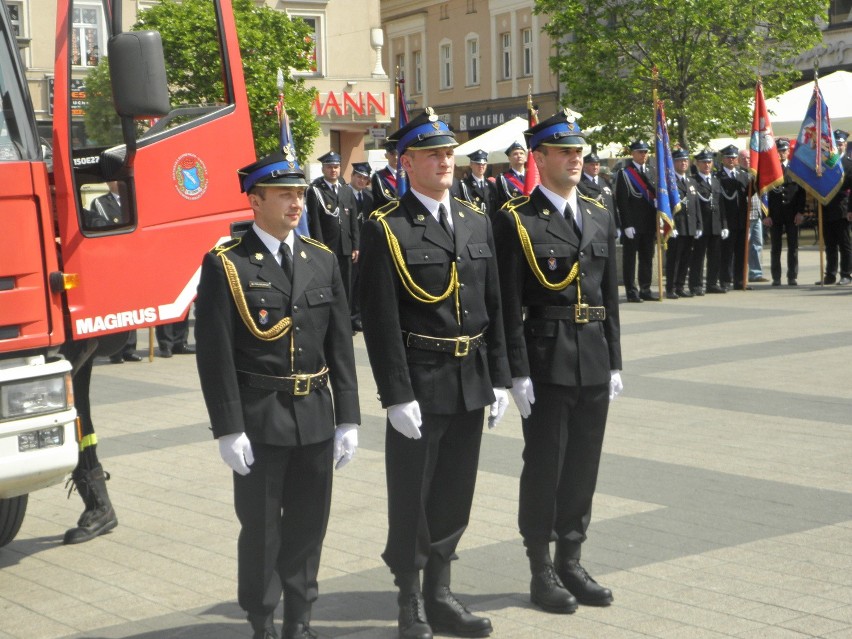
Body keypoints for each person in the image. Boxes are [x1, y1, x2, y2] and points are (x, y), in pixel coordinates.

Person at [194, 141, 360, 639]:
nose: (295, 203)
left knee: (310, 526)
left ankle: (300, 619)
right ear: (255, 200)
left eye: (300, 194)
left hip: (313, 411)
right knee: (264, 529)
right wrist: (228, 427)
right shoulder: (228, 263)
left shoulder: (321, 259)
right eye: (284, 194)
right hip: (261, 416)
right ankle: (262, 620)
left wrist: (348, 417)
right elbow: (214, 352)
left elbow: (339, 345)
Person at [359, 107, 511, 639]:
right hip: (421, 382)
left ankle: (441, 592)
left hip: (470, 377)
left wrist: (500, 377)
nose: (446, 161)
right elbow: (380, 320)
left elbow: (491, 303)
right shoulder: (387, 226)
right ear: (408, 163)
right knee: (412, 495)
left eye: (449, 153)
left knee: (454, 493)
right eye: (434, 155)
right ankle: (409, 599)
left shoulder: (473, 219)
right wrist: (395, 395)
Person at [492, 109, 622, 615]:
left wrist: (615, 359)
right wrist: (514, 372)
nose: (574, 159)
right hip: (545, 358)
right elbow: (506, 301)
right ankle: (539, 567)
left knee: (584, 465)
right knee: (546, 465)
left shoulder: (597, 212)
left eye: (579, 152)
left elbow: (608, 295)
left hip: (591, 354)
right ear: (539, 158)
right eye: (564, 152)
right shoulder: (517, 220)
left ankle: (572, 557)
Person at [60, 337, 119, 545]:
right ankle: (99, 506)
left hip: (76, 336)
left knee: (77, 407)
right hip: (70, 336)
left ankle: (99, 506)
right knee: (77, 406)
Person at [306, 151, 360, 307]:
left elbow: (353, 221)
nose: (333, 170)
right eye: (329, 167)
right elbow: (315, 223)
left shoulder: (346, 190)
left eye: (336, 167)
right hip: (328, 247)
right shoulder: (316, 191)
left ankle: (346, 320)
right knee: (329, 285)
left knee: (347, 285)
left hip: (346, 247)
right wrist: (320, 249)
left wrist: (356, 245)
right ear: (323, 169)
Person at [615, 140, 657, 301]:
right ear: (632, 153)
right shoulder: (625, 173)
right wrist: (626, 224)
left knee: (647, 257)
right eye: (640, 152)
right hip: (633, 224)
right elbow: (622, 201)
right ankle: (631, 291)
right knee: (630, 260)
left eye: (645, 152)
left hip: (649, 223)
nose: (644, 155)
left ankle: (645, 289)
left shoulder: (652, 172)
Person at [764, 138, 805, 286]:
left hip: (792, 214)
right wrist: (766, 215)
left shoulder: (795, 170)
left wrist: (800, 212)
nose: (781, 153)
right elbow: (764, 194)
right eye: (779, 150)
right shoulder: (770, 170)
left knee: (793, 247)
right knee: (776, 248)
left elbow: (801, 193)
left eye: (784, 150)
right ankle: (776, 277)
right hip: (775, 215)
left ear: (789, 152)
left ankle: (792, 276)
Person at [689, 149, 728, 295]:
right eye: (704, 162)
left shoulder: (716, 181)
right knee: (698, 257)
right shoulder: (693, 182)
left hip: (715, 224)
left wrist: (724, 225)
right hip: (701, 225)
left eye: (709, 162)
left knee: (715, 256)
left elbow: (721, 205)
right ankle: (696, 285)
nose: (707, 165)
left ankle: (712, 283)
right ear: (698, 164)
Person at [665, 148, 702, 298]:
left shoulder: (691, 181)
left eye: (686, 160)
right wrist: (669, 225)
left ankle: (680, 286)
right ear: (673, 163)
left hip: (690, 226)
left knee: (686, 258)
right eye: (680, 160)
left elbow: (696, 205)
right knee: (674, 259)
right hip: (676, 227)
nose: (683, 163)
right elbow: (666, 205)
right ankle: (670, 288)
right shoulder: (669, 182)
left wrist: (699, 224)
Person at [818, 130, 852, 285]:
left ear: (845, 144)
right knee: (830, 244)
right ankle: (830, 274)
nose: (839, 146)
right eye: (836, 144)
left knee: (844, 244)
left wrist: (850, 209)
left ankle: (846, 274)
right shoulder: (827, 163)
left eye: (841, 143)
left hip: (843, 208)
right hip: (827, 207)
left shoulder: (849, 164)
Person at [716, 144, 751, 290]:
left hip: (742, 220)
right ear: (723, 159)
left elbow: (750, 194)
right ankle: (725, 281)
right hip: (727, 220)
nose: (731, 160)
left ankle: (740, 280)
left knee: (741, 252)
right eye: (728, 157)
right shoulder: (718, 177)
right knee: (726, 253)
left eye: (734, 157)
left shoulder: (744, 176)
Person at [349, 162, 374, 331]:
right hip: (349, 247)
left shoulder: (368, 197)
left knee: (360, 284)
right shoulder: (344, 194)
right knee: (349, 284)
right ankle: (348, 318)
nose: (361, 181)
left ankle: (357, 317)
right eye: (358, 177)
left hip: (364, 245)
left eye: (365, 178)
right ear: (352, 176)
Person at [738, 150, 769, 283]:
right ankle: (739, 273)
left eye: (749, 158)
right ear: (739, 160)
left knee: (757, 244)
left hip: (756, 214)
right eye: (743, 158)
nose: (747, 160)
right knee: (743, 246)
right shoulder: (738, 175)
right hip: (744, 215)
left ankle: (755, 273)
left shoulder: (756, 174)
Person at [578, 152, 619, 233]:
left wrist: (616, 224)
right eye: (592, 165)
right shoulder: (579, 183)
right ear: (584, 166)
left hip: (609, 226)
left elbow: (612, 204)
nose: (595, 167)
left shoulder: (604, 181)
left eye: (597, 164)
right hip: (592, 227)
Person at [460, 149, 499, 218]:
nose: (481, 166)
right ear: (471, 165)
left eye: (483, 164)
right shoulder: (464, 185)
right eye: (478, 164)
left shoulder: (491, 185)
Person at [496, 141, 527, 206]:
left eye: (521, 153)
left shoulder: (533, 176)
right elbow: (501, 201)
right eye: (515, 154)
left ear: (525, 158)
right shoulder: (502, 178)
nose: (519, 156)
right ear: (509, 158)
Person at [372, 140, 401, 207]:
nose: (396, 157)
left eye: (398, 154)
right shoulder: (378, 176)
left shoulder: (407, 175)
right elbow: (379, 200)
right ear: (386, 155)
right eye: (392, 153)